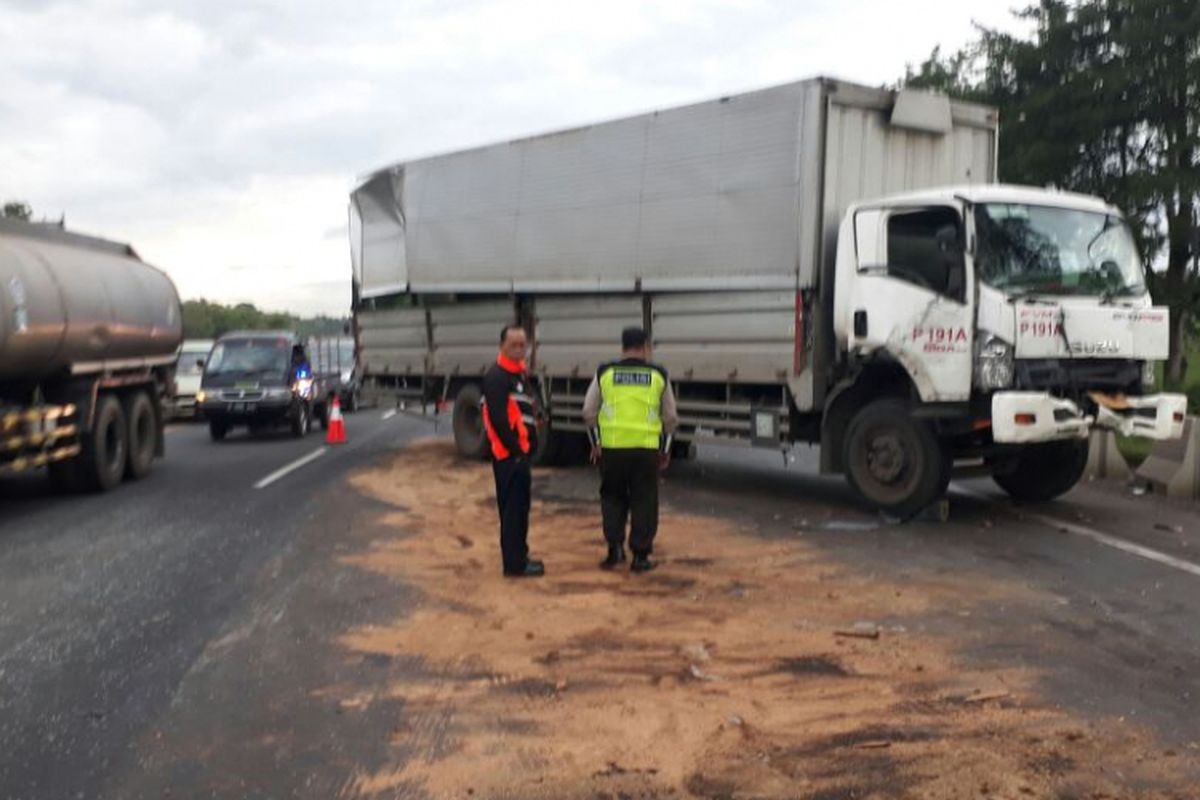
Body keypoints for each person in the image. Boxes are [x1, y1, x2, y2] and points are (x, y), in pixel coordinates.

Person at [582, 326, 679, 573]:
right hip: (646, 450)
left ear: (623, 346)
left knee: (612, 496)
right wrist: (665, 449)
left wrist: (597, 443)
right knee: (644, 499)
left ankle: (614, 550)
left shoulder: (605, 372)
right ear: (645, 346)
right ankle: (640, 556)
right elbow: (670, 417)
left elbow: (588, 411)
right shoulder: (658, 374)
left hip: (612, 449)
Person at [482, 324, 545, 578]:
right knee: (512, 512)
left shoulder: (518, 375)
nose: (520, 350)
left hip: (519, 456)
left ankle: (520, 555)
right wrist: (517, 451)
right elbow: (497, 420)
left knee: (520, 510)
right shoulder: (496, 377)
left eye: (523, 345)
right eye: (514, 345)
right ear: (502, 346)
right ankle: (514, 565)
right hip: (509, 458)